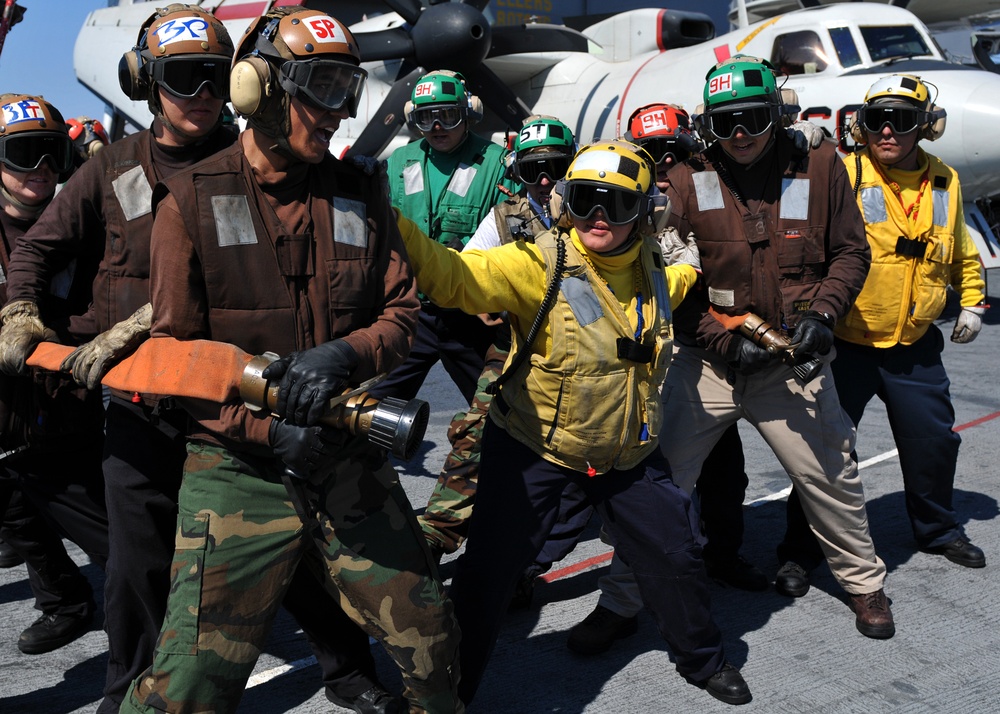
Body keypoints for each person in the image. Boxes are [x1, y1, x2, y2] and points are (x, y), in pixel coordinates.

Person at [0, 7, 395, 713]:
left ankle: (346, 666)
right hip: (143, 402)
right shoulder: (110, 170)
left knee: (290, 544)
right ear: (148, 84)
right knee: (135, 565)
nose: (202, 93)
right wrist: (20, 310)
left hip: (232, 397)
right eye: (183, 78)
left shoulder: (254, 166)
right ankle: (128, 691)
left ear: (241, 86)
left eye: (215, 77)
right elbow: (38, 249)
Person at [122, 7, 461, 712]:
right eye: (324, 89)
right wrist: (270, 432)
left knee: (433, 646)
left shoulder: (362, 191)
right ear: (261, 91)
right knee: (185, 688)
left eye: (349, 89)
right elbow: (173, 359)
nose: (340, 113)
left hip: (345, 454)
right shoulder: (187, 200)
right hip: (237, 469)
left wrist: (345, 353)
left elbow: (403, 314)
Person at [395, 139, 753, 706]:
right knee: (486, 579)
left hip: (627, 453)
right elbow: (451, 276)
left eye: (616, 204)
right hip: (535, 449)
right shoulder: (538, 265)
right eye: (586, 200)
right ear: (565, 203)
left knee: (678, 553)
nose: (599, 218)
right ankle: (446, 694)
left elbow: (698, 271)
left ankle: (703, 659)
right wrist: (383, 213)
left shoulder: (661, 270)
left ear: (645, 212)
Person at [637, 54, 895, 640]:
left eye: (753, 118)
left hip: (792, 359)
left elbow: (851, 252)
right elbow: (661, 278)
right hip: (709, 360)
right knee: (658, 486)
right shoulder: (685, 176)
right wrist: (717, 342)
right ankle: (623, 599)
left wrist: (826, 313)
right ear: (709, 126)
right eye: (725, 123)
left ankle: (863, 584)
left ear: (776, 115)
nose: (741, 135)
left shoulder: (821, 164)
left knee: (832, 474)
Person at [774, 73, 987, 598]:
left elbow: (959, 245)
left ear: (927, 128)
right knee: (821, 451)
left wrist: (974, 298)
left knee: (934, 441)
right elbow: (790, 211)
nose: (888, 131)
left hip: (913, 345)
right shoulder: (842, 171)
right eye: (876, 121)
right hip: (845, 344)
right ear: (860, 127)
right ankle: (800, 551)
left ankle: (936, 530)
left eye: (903, 121)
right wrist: (798, 146)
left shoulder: (945, 181)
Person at [566, 102, 768, 657]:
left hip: (709, 348)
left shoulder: (710, 182)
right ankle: (620, 603)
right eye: (652, 153)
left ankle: (722, 559)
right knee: (658, 491)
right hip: (653, 365)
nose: (664, 162)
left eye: (673, 149)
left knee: (726, 476)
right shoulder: (621, 205)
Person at [0, 93, 108, 655]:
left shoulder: (82, 224)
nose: (41, 170)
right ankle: (64, 602)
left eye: (51, 155)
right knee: (18, 522)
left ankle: (163, 625)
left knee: (110, 532)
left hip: (68, 404)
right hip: (3, 417)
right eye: (24, 155)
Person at [369, 70, 518, 406]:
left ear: (468, 112)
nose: (437, 127)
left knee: (500, 405)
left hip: (470, 312)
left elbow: (514, 234)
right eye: (426, 118)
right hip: (410, 310)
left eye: (448, 116)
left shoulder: (495, 164)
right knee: (371, 404)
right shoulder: (400, 162)